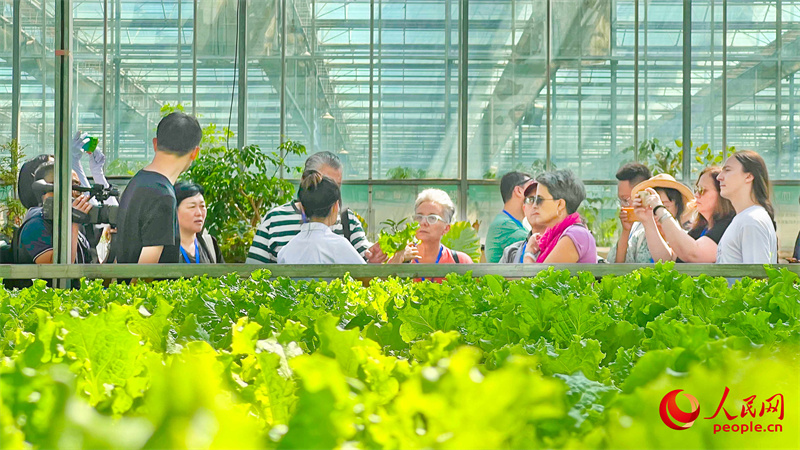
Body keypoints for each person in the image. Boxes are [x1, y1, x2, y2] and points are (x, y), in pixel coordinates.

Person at [247, 152, 386, 264]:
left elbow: (364, 260)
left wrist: (372, 257)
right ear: (305, 181)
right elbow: (254, 274)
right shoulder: (274, 219)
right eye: (324, 183)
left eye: (337, 186)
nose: (330, 192)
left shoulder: (347, 220)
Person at [112, 112, 202, 264]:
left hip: (123, 279)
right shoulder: (163, 196)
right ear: (194, 153)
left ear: (155, 144)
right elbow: (146, 271)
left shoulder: (136, 182)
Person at [634, 167, 734, 263]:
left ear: (722, 193)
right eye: (696, 189)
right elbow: (668, 259)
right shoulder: (701, 228)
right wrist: (648, 221)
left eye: (702, 190)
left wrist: (659, 208)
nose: (696, 195)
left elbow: (693, 254)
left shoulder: (728, 225)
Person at [277, 171, 365, 265]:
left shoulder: (285, 252)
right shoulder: (340, 246)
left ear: (302, 208)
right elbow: (364, 272)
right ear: (335, 206)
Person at [16, 162, 93, 266]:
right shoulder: (35, 225)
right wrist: (74, 222)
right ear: (50, 187)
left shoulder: (69, 226)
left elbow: (89, 269)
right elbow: (59, 268)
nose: (79, 194)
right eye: (75, 187)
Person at [390, 189, 472, 282]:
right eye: (419, 217)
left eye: (432, 218)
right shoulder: (400, 256)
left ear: (446, 228)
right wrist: (397, 263)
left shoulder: (460, 261)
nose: (423, 222)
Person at [521, 170, 597, 264]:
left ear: (560, 204)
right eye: (533, 199)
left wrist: (529, 254)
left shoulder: (576, 234)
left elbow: (540, 274)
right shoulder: (551, 237)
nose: (534, 205)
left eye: (540, 200)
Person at [715, 150, 778, 264]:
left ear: (748, 176)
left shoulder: (751, 220)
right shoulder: (746, 218)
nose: (719, 177)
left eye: (727, 170)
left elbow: (757, 274)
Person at [484, 171, 537, 263]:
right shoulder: (504, 225)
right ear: (519, 191)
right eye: (531, 187)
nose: (537, 194)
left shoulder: (511, 223)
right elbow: (537, 243)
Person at [607, 162, 653, 263]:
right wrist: (625, 231)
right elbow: (617, 265)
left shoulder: (662, 225)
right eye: (620, 201)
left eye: (625, 200)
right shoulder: (634, 226)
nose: (623, 206)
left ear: (643, 195)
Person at [175, 181, 223, 264]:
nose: (199, 213)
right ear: (174, 211)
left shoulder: (210, 244)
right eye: (192, 207)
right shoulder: (162, 249)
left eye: (202, 206)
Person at [499, 182, 548, 263]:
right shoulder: (511, 253)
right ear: (524, 209)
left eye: (541, 200)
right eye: (531, 200)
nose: (535, 205)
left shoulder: (563, 246)